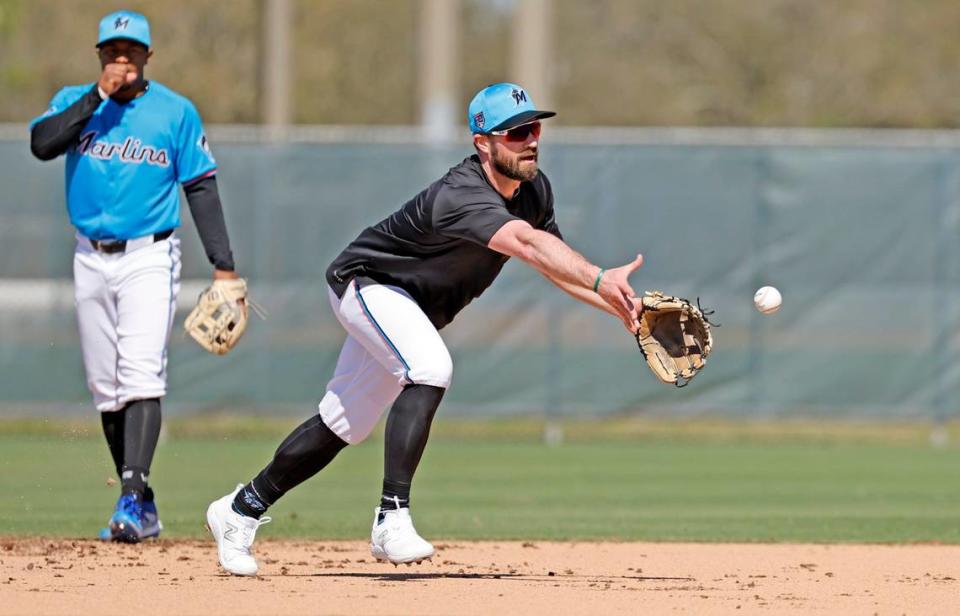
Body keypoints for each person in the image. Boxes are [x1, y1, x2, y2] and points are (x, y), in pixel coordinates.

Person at [206, 82, 643, 575]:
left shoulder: (534, 190)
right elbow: (528, 244)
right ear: (483, 142)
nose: (531, 139)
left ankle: (239, 510)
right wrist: (603, 278)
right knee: (430, 366)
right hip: (368, 284)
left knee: (343, 422)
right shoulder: (462, 194)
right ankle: (391, 517)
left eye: (535, 127)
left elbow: (557, 267)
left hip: (407, 309)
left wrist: (629, 311)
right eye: (517, 131)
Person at [29, 10, 240, 543]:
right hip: (89, 255)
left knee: (141, 374)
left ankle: (130, 493)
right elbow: (42, 143)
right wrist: (95, 99)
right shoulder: (76, 102)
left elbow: (201, 188)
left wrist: (225, 266)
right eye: (111, 51)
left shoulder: (175, 112)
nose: (120, 60)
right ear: (99, 56)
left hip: (149, 255)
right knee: (107, 387)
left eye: (130, 51)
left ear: (148, 57)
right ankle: (142, 505)